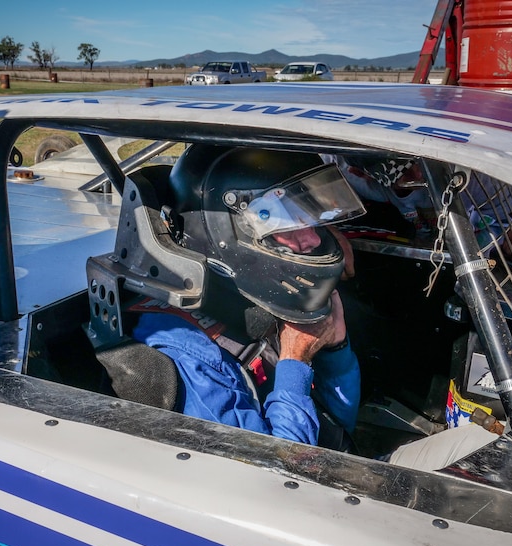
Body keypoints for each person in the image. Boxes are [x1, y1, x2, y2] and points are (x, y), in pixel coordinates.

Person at [128, 145, 366, 447]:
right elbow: (280, 473)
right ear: (225, 233)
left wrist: (335, 350)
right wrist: (295, 361)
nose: (313, 238)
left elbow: (338, 432)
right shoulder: (193, 361)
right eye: (286, 224)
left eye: (309, 217)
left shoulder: (257, 298)